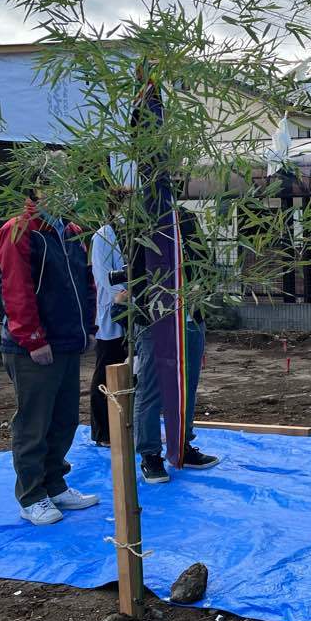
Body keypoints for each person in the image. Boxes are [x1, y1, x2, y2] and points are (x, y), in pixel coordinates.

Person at [0, 153, 101, 525]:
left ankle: (55, 483)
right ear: (40, 186)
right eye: (61, 181)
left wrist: (88, 327)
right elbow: (16, 291)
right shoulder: (20, 231)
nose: (71, 189)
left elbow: (86, 283)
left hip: (68, 340)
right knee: (33, 422)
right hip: (35, 346)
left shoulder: (70, 232)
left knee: (64, 418)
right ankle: (32, 494)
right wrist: (33, 338)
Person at [127, 205, 220, 484]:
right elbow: (136, 276)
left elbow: (204, 261)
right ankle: (150, 454)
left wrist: (201, 287)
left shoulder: (186, 217)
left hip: (191, 317)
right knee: (152, 389)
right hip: (157, 320)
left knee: (187, 386)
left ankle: (182, 445)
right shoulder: (141, 219)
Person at [88, 187, 130, 446]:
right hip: (113, 309)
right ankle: (102, 430)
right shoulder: (104, 236)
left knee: (129, 371)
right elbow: (104, 276)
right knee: (106, 370)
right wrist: (125, 292)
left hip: (133, 310)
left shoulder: (134, 236)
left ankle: (124, 423)